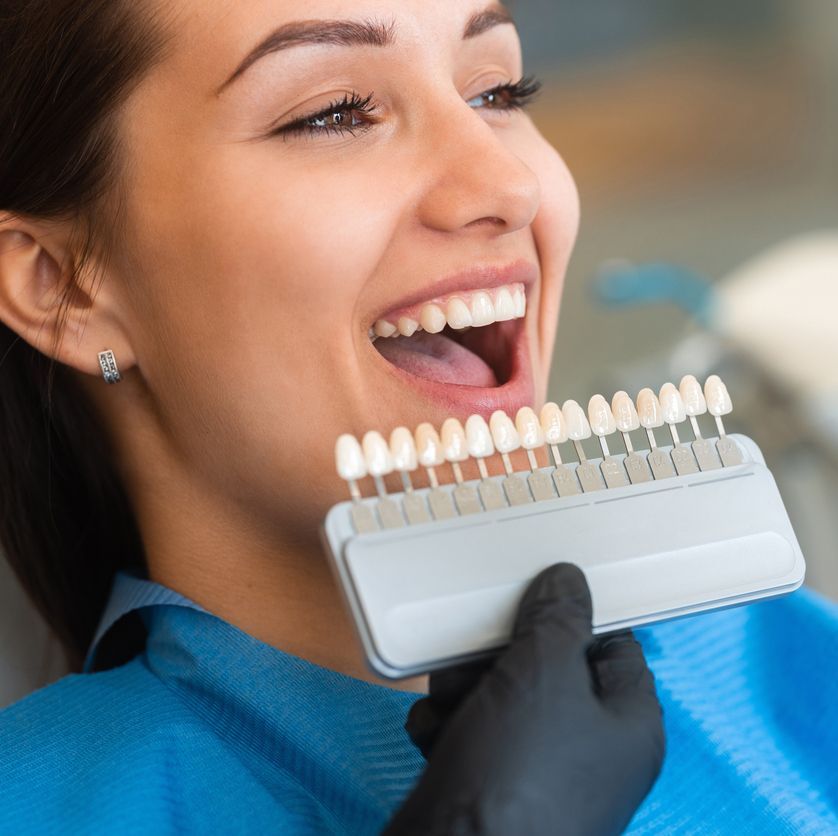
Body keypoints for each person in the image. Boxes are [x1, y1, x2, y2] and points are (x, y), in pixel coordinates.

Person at [0, 2, 835, 834]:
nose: (507, 186)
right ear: (63, 288)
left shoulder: (785, 657)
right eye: (333, 113)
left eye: (499, 92)